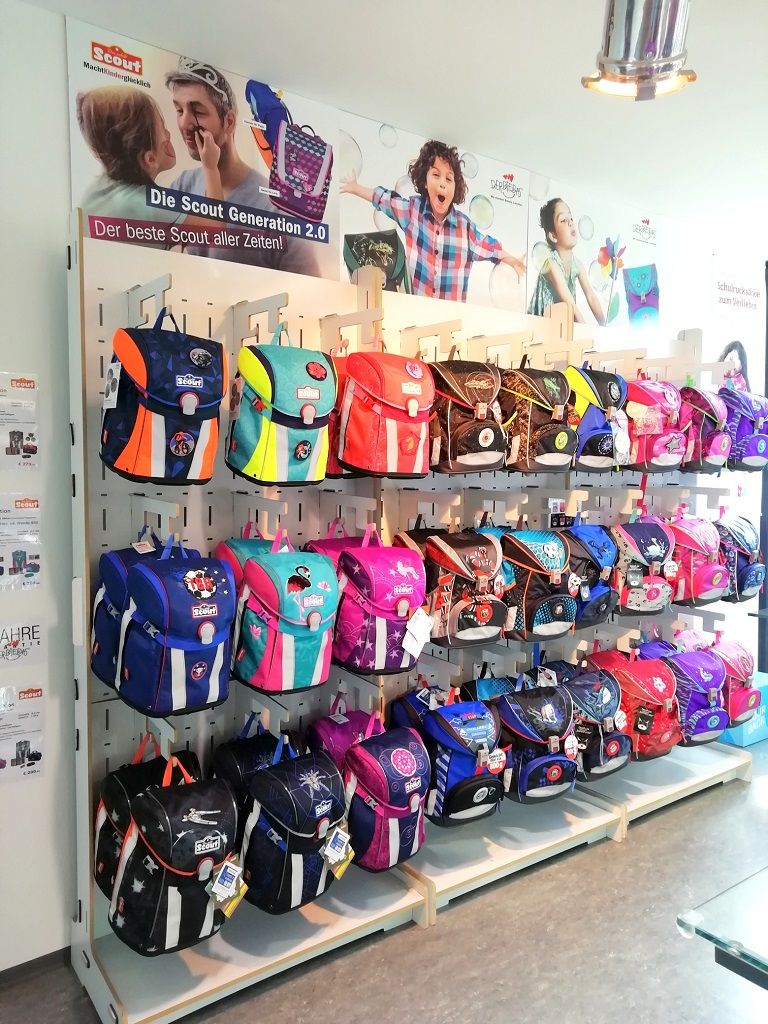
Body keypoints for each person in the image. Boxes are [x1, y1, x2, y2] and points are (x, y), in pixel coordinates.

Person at [166, 57, 318, 275]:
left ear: (229, 122)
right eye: (179, 111)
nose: (184, 123)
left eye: (197, 112)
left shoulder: (277, 210)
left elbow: (310, 288)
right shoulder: (183, 185)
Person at [341, 139, 525, 302]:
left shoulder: (465, 228)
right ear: (425, 181)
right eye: (436, 175)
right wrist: (356, 188)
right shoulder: (413, 211)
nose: (442, 183)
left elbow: (490, 247)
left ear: (455, 187)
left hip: (451, 318)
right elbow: (385, 200)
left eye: (449, 179)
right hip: (417, 311)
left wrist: (513, 259)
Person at [76, 86, 222, 232]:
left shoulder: (94, 192)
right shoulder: (149, 205)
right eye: (163, 128)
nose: (169, 134)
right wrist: (210, 167)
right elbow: (216, 228)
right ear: (150, 159)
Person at [528, 198, 606, 325]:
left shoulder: (577, 265)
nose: (570, 222)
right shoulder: (551, 264)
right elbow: (570, 304)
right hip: (539, 325)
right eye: (563, 220)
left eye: (571, 218)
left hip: (559, 323)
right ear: (553, 236)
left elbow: (590, 296)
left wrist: (604, 326)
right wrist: (586, 329)